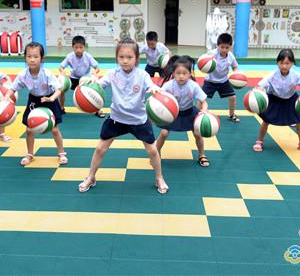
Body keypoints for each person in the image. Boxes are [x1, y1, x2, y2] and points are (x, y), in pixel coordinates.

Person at [78, 39, 169, 194]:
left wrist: (154, 88)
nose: (125, 61)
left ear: (136, 58)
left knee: (153, 151)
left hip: (139, 120)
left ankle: (159, 178)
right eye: (121, 57)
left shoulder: (142, 74)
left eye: (129, 57)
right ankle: (90, 176)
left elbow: (150, 85)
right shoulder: (112, 74)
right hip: (116, 119)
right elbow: (100, 85)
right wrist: (93, 82)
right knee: (100, 148)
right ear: (116, 58)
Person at [6, 42, 68, 166]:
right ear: (25, 58)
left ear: (42, 58)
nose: (32, 59)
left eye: (36, 56)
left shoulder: (47, 74)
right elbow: (13, 88)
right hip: (34, 101)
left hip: (49, 100)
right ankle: (30, 154)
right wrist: (7, 97)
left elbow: (59, 89)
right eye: (29, 56)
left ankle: (61, 153)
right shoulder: (23, 75)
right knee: (29, 129)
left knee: (55, 129)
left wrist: (52, 98)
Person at [253, 49, 300, 154]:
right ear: (277, 63)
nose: (284, 66)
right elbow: (259, 86)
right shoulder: (272, 75)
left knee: (299, 121)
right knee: (266, 121)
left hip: (291, 100)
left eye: (287, 63)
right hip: (274, 99)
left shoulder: (296, 75)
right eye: (281, 63)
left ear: (292, 63)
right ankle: (259, 141)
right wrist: (261, 90)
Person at [156, 55, 210, 166]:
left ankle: (201, 155)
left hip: (189, 112)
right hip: (172, 113)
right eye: (178, 73)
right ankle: (155, 154)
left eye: (184, 73)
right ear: (173, 74)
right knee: (164, 133)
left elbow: (204, 101)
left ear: (190, 74)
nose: (181, 76)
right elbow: (159, 96)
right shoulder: (168, 85)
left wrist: (204, 111)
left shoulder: (193, 86)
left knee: (197, 133)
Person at [59, 35, 104, 118]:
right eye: (76, 47)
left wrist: (94, 74)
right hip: (73, 79)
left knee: (96, 89)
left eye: (81, 47)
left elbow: (97, 67)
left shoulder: (88, 56)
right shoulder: (69, 56)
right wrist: (63, 73)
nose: (78, 50)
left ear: (84, 47)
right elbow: (61, 67)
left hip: (85, 80)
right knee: (61, 87)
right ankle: (61, 108)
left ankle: (98, 109)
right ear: (73, 47)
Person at [202, 33, 240, 123]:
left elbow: (235, 67)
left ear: (230, 47)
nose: (224, 49)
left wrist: (236, 74)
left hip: (223, 81)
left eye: (227, 47)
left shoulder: (231, 56)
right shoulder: (212, 54)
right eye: (222, 47)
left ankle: (231, 115)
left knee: (233, 97)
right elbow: (203, 61)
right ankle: (197, 115)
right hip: (210, 81)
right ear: (218, 45)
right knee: (201, 98)